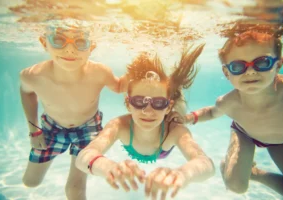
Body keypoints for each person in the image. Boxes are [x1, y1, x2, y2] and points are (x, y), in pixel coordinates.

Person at [75, 44, 215, 200]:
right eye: (139, 101)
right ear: (128, 104)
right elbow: (83, 157)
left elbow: (207, 164)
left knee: (179, 111)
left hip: (167, 128)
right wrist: (108, 167)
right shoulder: (119, 125)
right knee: (167, 96)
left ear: (167, 107)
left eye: (159, 103)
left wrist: (183, 174)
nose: (148, 111)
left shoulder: (175, 130)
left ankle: (174, 96)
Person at [180, 27, 283, 199]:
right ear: (227, 73)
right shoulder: (229, 102)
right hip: (245, 133)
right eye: (238, 66)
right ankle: (227, 166)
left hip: (282, 141)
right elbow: (212, 113)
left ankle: (254, 173)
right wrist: (189, 118)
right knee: (236, 186)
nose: (250, 71)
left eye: (262, 62)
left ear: (278, 64)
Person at [20, 25, 128, 200]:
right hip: (51, 128)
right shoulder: (33, 75)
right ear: (43, 43)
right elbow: (26, 92)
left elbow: (119, 86)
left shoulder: (100, 72)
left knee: (75, 190)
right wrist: (34, 128)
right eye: (58, 40)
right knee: (31, 182)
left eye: (80, 42)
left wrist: (138, 70)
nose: (69, 49)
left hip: (88, 128)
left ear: (91, 47)